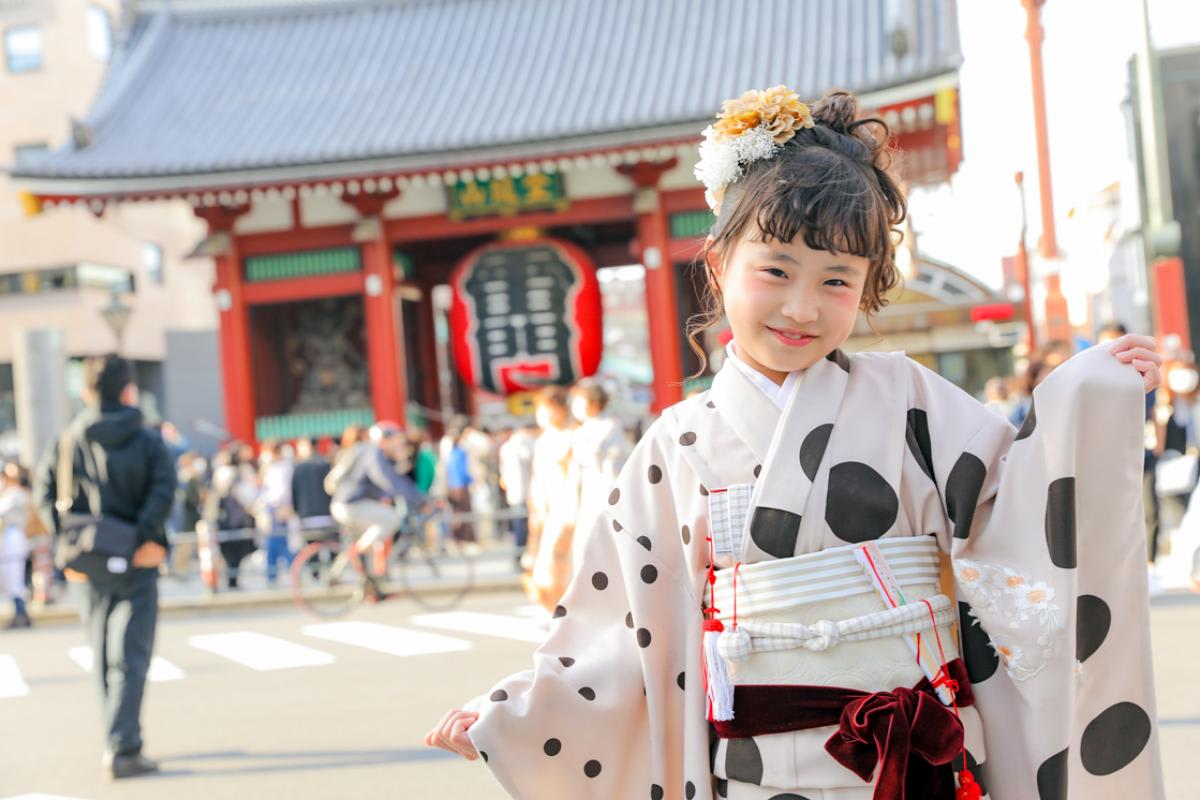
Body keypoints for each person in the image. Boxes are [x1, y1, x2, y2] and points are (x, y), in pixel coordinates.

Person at [427, 88, 1165, 798]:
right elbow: (622, 634)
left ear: (870, 286)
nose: (802, 306)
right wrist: (520, 717)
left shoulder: (910, 400)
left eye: (837, 280)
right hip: (763, 777)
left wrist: (1086, 402)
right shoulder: (676, 445)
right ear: (719, 267)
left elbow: (1019, 508)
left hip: (922, 764)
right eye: (776, 270)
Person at [34, 354, 175, 779]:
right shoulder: (149, 440)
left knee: (101, 652)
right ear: (129, 390)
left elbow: (46, 496)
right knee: (131, 654)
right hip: (137, 559)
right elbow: (164, 490)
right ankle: (123, 747)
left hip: (88, 564)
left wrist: (72, 537)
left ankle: (115, 737)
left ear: (87, 392)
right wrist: (138, 535)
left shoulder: (67, 441)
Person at [329, 421, 432, 595]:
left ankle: (370, 589)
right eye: (397, 441)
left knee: (370, 541)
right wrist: (421, 500)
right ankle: (357, 555)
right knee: (392, 519)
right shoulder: (374, 454)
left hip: (347, 504)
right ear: (385, 440)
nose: (400, 445)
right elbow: (388, 480)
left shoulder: (371, 452)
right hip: (351, 504)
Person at [522, 386, 578, 613]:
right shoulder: (543, 440)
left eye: (546, 408)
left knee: (563, 562)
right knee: (545, 563)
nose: (542, 413)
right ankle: (553, 610)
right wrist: (535, 508)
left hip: (569, 508)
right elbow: (537, 479)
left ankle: (563, 611)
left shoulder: (573, 436)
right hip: (547, 508)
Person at [567, 379, 630, 568]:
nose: (576, 405)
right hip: (586, 492)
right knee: (585, 544)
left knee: (603, 543)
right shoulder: (580, 431)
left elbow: (613, 467)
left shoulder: (609, 427)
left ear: (594, 402)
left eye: (580, 400)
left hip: (604, 491)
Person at [256, 440, 294, 585]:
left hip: (278, 508)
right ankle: (276, 573)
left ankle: (286, 570)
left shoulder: (283, 467)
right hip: (272, 508)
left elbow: (280, 492)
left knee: (276, 543)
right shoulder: (272, 467)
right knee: (275, 543)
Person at [498, 424, 536, 570]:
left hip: (515, 493)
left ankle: (520, 557)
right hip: (525, 493)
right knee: (524, 528)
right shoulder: (523, 445)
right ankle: (521, 557)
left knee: (519, 527)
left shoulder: (506, 448)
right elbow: (529, 458)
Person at [1, 461, 32, 629]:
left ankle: (22, 615)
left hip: (14, 538)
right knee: (10, 581)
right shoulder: (8, 493)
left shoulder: (17, 493)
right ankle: (20, 615)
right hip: (9, 538)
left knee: (15, 581)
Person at [291, 437, 333, 529]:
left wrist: (296, 510)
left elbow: (294, 492)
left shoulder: (299, 467)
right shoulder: (326, 464)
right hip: (326, 513)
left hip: (306, 514)